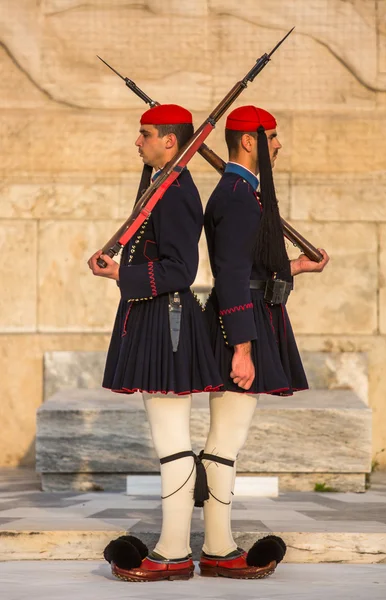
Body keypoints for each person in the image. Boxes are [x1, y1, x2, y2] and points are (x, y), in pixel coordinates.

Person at [88, 104, 223, 582]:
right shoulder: (160, 186)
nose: (137, 141)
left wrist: (119, 273)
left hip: (168, 321)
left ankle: (172, 554)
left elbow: (180, 270)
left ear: (171, 141)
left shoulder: (178, 192)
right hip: (152, 317)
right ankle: (177, 548)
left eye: (145, 134)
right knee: (169, 441)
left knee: (171, 442)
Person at [199, 105, 329, 577]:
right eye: (271, 137)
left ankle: (216, 542)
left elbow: (251, 269)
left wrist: (295, 268)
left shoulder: (244, 193)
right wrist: (242, 347)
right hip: (242, 323)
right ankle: (217, 548)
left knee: (226, 438)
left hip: (250, 316)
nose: (278, 144)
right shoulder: (235, 196)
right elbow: (231, 275)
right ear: (249, 142)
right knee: (225, 439)